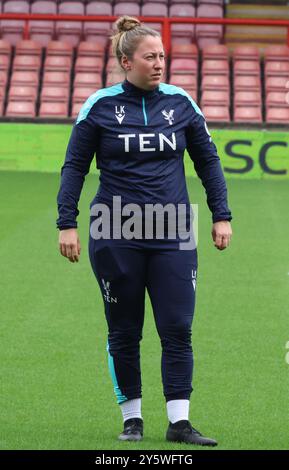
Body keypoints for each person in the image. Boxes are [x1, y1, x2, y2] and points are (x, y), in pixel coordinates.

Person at [56, 15, 232, 446]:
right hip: (114, 229)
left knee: (177, 327)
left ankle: (180, 423)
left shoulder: (182, 104)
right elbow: (75, 166)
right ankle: (132, 418)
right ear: (125, 61)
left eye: (162, 56)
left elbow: (207, 161)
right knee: (124, 329)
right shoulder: (99, 105)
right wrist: (67, 223)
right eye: (150, 56)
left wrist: (220, 214)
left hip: (173, 230)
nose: (159, 64)